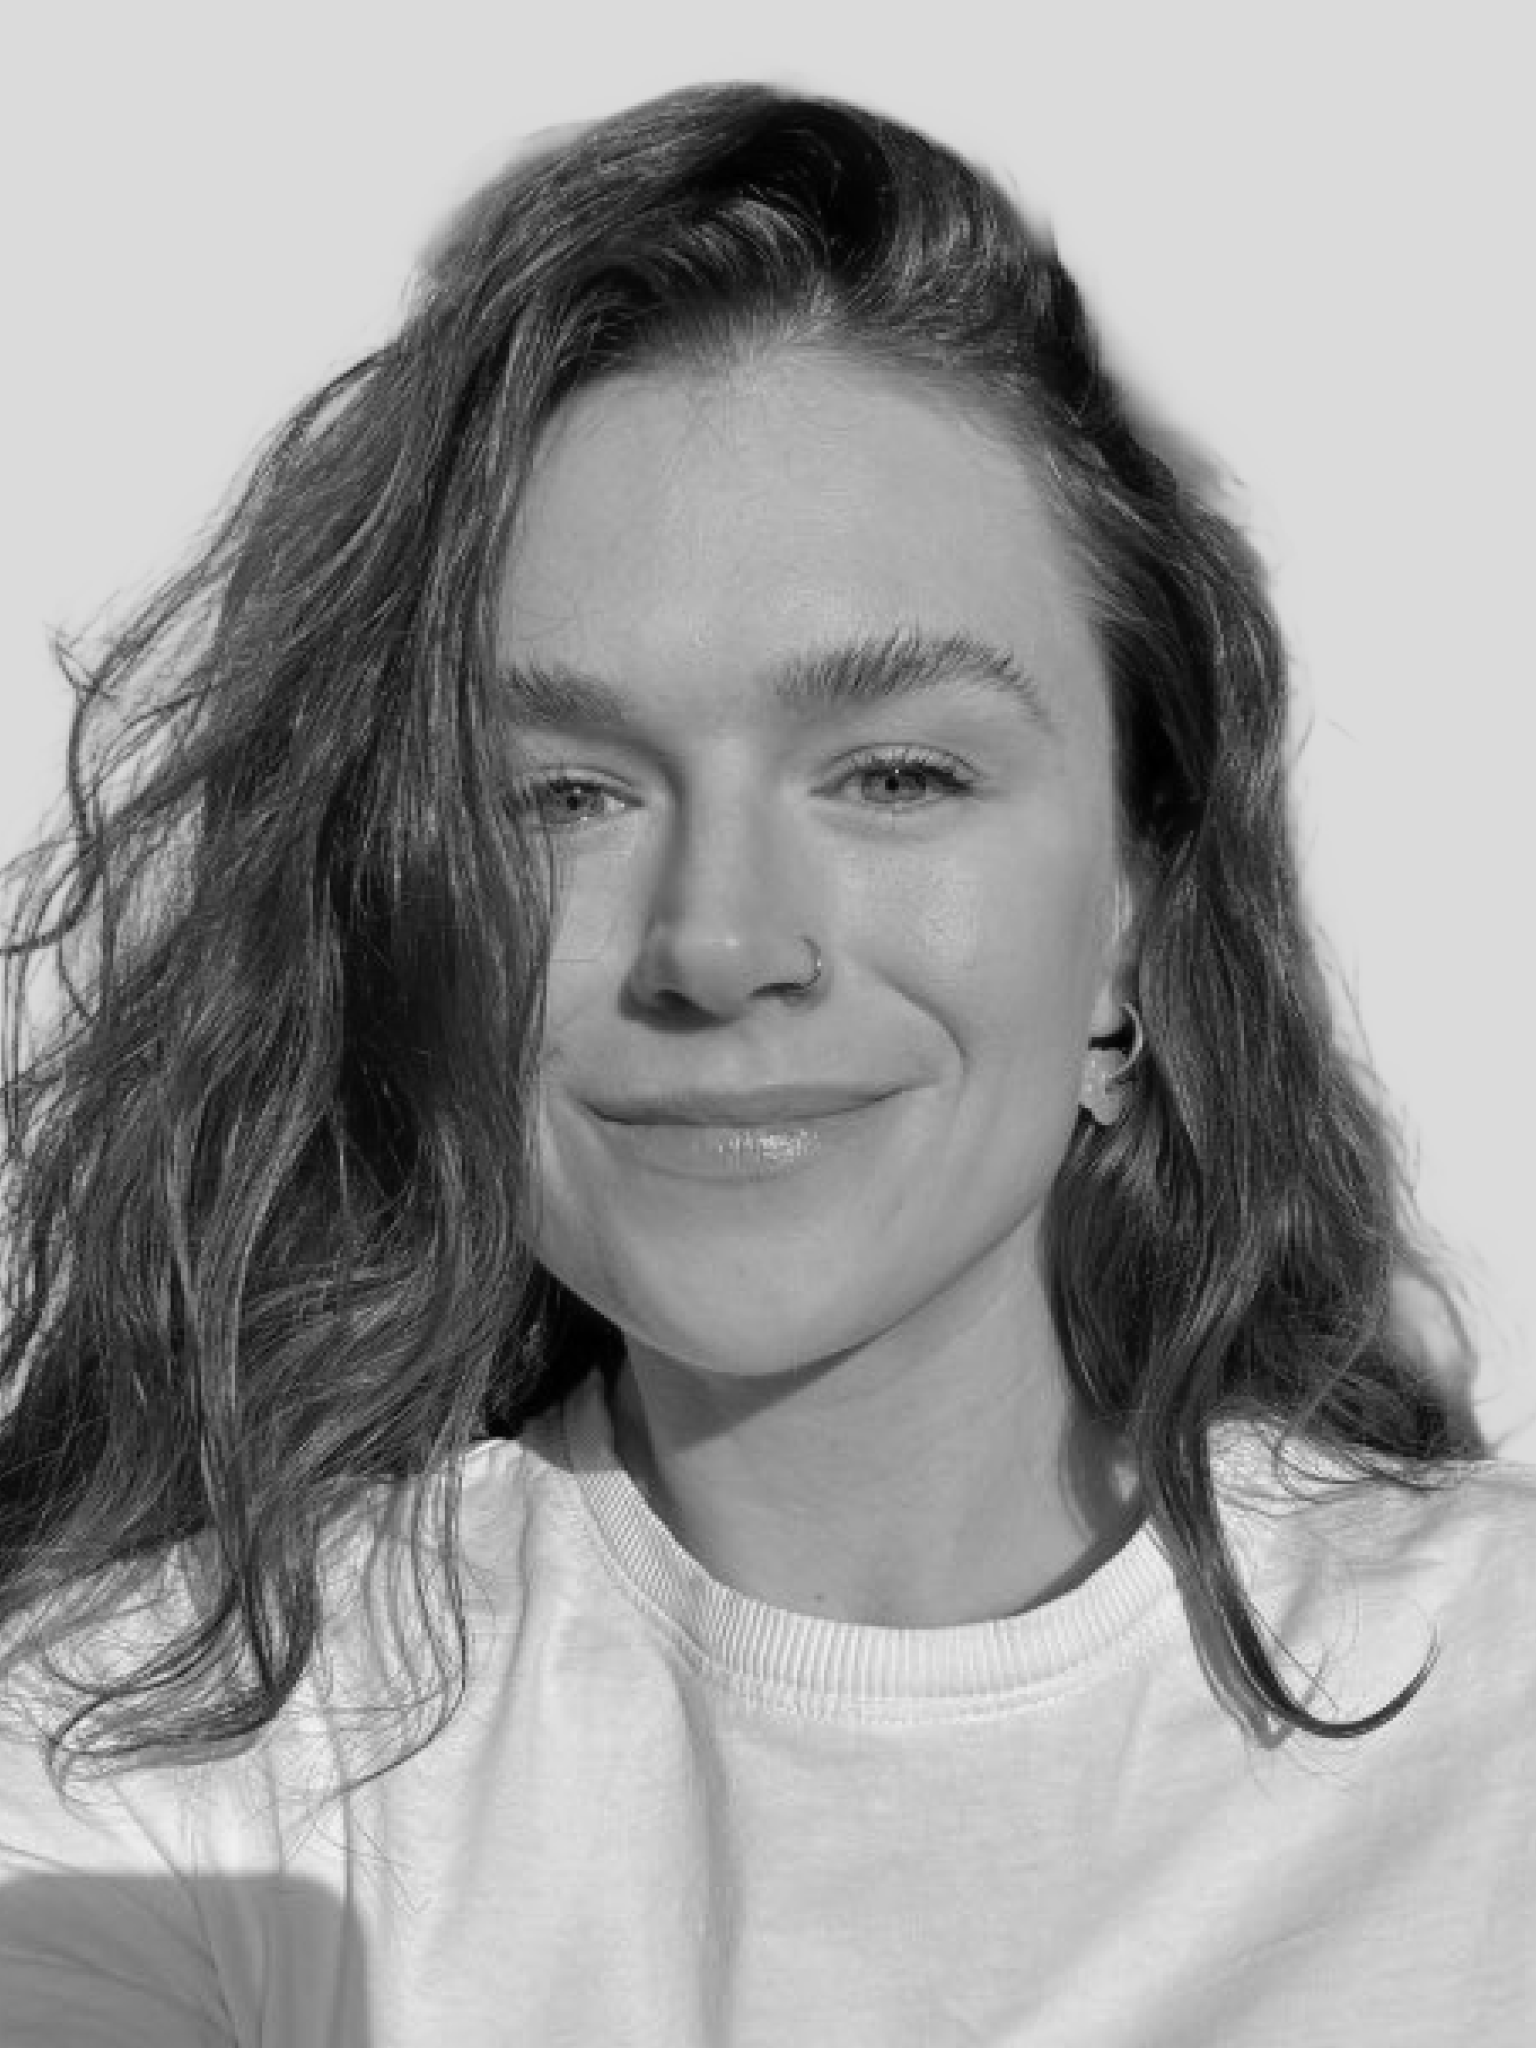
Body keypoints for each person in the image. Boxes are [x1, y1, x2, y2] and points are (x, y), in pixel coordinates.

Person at [0, 78, 1531, 2047]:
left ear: (1134, 896)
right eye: (561, 795)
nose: (720, 944)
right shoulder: (150, 1760)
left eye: (896, 775)